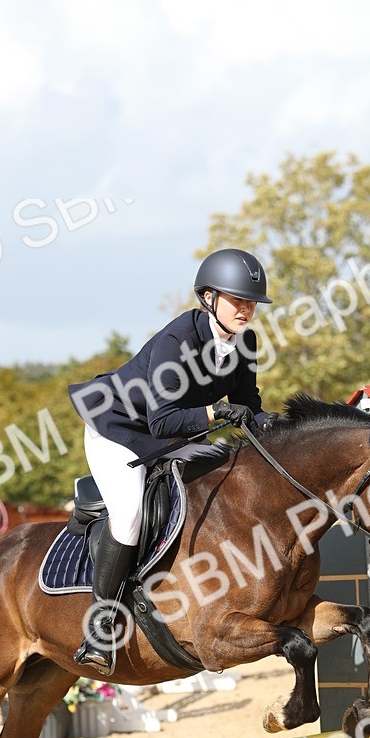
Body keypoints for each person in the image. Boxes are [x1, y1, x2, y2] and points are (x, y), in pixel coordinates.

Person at [68, 247, 276, 674]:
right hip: (118, 428)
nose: (246, 310)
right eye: (238, 300)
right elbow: (162, 422)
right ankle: (99, 627)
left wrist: (272, 423)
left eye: (251, 302)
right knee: (129, 513)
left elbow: (247, 403)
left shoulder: (245, 343)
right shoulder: (176, 340)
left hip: (172, 433)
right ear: (208, 298)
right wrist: (217, 412)